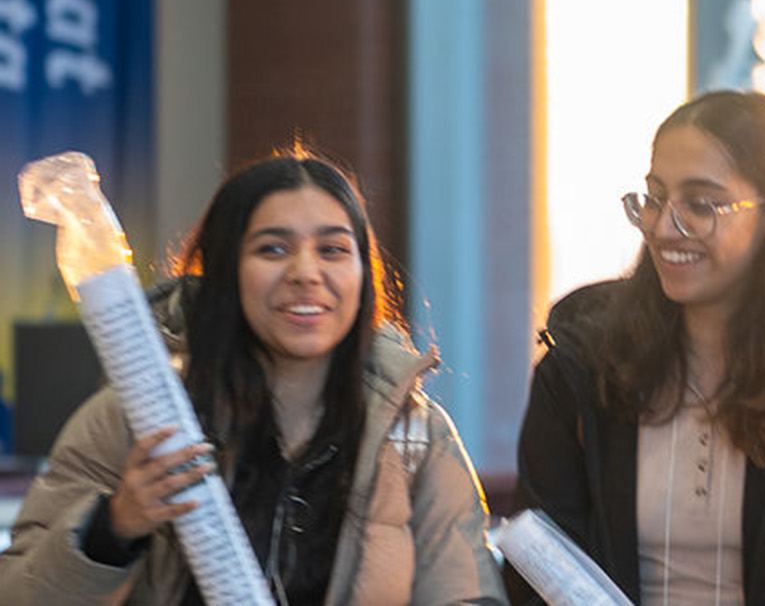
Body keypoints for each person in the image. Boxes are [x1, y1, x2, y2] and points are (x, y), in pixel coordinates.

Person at [0, 152, 507, 605]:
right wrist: (112, 528)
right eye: (273, 250)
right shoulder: (138, 419)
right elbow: (20, 593)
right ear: (226, 271)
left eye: (332, 250)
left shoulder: (415, 435)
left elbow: (466, 594)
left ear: (361, 273)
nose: (307, 272)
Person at [508, 90, 765, 605]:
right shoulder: (578, 374)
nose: (664, 227)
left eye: (700, 204)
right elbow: (538, 574)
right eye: (655, 198)